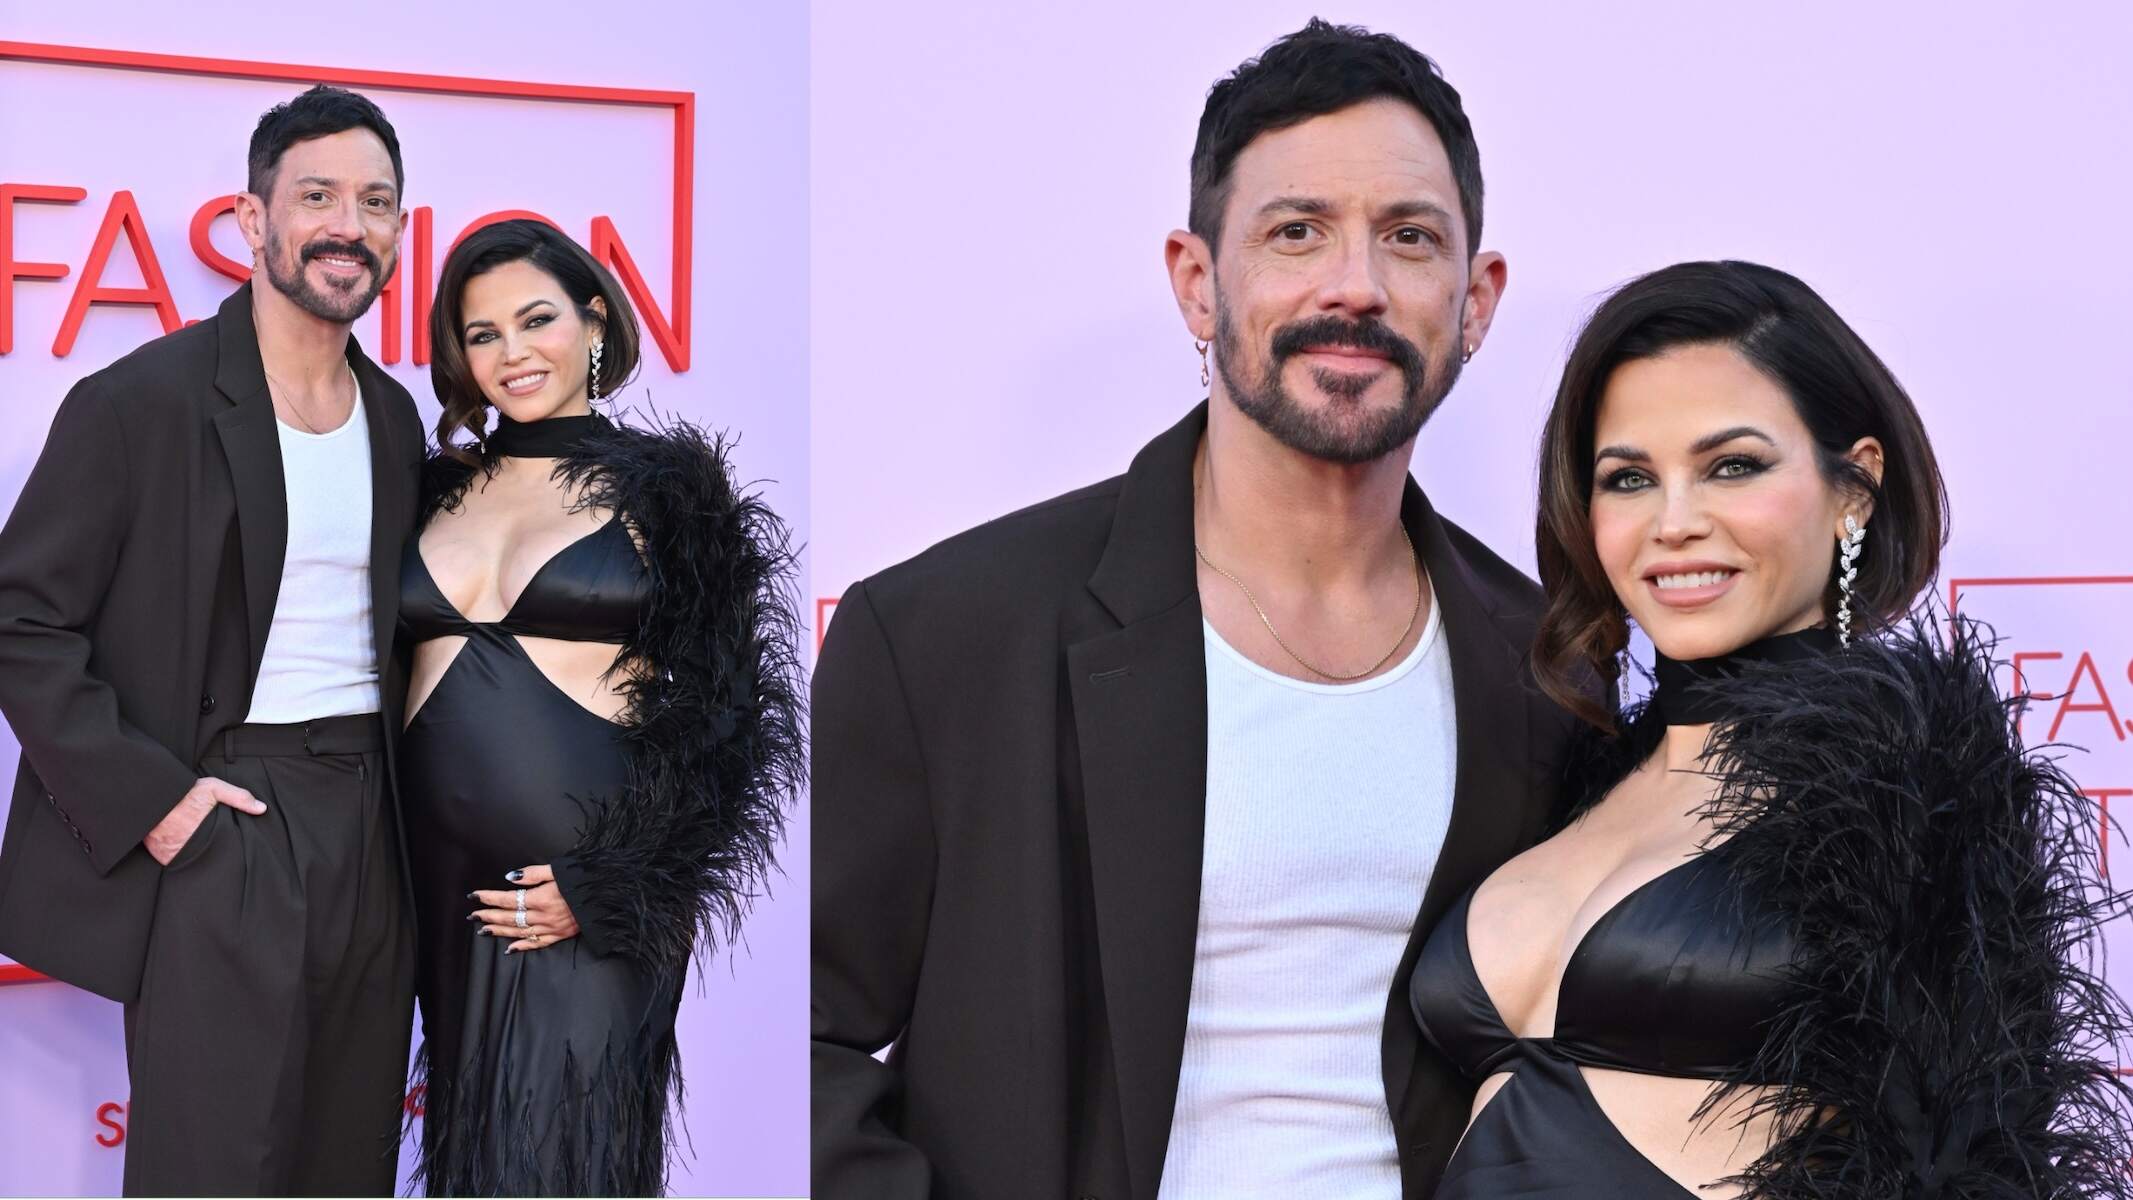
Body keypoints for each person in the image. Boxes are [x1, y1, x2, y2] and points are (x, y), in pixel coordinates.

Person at [812, 20, 1595, 1199]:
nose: (1356, 285)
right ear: (1197, 280)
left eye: (1410, 238)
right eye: (1297, 232)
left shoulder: (1545, 667)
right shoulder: (942, 638)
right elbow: (790, 1037)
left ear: (1475, 298)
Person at [1409, 260, 2132, 1196]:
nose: (1673, 522)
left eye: (1731, 467)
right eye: (1628, 478)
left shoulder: (1913, 787)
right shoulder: (1565, 775)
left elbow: (1963, 1154)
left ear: (1853, 491)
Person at [0, 86, 423, 1195]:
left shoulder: (395, 418)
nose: (350, 224)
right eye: (318, 195)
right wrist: (158, 802)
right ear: (252, 220)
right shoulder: (141, 403)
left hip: (375, 826)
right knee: (214, 1169)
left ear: (400, 233)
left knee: (351, 1165)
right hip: (231, 818)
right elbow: (21, 620)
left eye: (376, 202)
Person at [399, 218, 803, 1195]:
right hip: (431, 892)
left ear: (592, 322)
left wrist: (606, 885)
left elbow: (733, 731)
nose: (511, 352)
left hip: (583, 895)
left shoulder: (671, 493)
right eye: (481, 334)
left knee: (565, 1168)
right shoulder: (428, 487)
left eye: (534, 320)